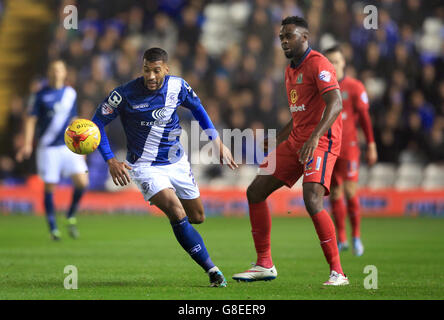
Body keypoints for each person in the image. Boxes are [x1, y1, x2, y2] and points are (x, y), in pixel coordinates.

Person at [91, 47, 237, 287]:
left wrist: (217, 142)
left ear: (166, 70)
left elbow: (198, 110)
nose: (150, 76)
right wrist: (110, 159)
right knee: (176, 211)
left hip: (177, 161)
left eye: (156, 71)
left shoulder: (178, 87)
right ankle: (212, 270)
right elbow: (96, 123)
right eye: (146, 70)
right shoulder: (124, 94)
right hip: (145, 167)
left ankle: (183, 229)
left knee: (197, 217)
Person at [232, 16, 349, 286]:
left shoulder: (319, 64)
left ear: (305, 37)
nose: (284, 41)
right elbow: (299, 115)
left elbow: (336, 103)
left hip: (321, 141)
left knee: (312, 199)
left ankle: (338, 273)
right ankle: (264, 264)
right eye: (281, 37)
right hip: (297, 140)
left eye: (290, 36)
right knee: (255, 191)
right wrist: (277, 139)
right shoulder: (290, 70)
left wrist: (315, 137)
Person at [16, 60, 88, 240]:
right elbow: (30, 119)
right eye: (53, 69)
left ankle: (70, 215)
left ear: (65, 73)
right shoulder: (39, 95)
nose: (56, 73)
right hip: (48, 147)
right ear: (49, 72)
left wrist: (81, 143)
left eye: (60, 69)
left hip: (67, 145)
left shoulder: (70, 94)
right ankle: (53, 228)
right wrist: (26, 144)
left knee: (82, 181)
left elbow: (74, 119)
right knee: (50, 186)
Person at [324, 45, 377, 256]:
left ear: (344, 63)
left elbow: (364, 118)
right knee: (335, 192)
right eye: (329, 63)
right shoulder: (323, 88)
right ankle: (342, 238)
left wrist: (371, 144)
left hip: (350, 148)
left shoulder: (355, 87)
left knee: (350, 191)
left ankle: (356, 236)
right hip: (329, 148)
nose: (333, 66)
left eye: (336, 61)